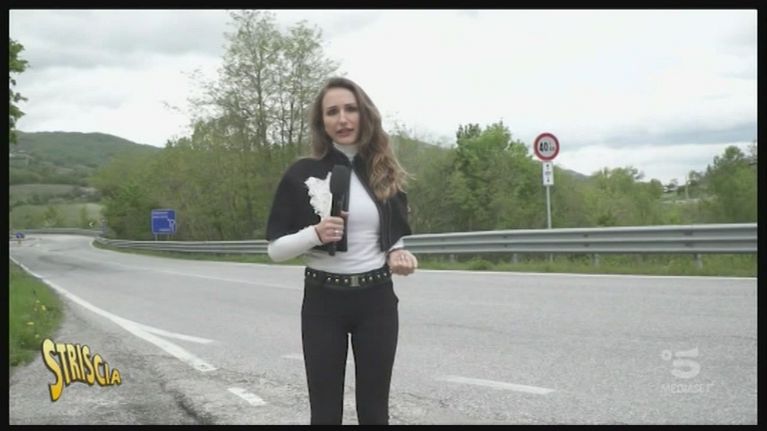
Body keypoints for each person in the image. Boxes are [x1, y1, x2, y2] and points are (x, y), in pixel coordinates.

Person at [266, 76, 418, 425]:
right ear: (322, 122)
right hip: (323, 302)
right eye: (332, 112)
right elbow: (275, 250)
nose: (343, 118)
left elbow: (391, 231)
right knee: (324, 414)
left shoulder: (382, 171)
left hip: (376, 301)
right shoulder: (302, 174)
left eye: (351, 109)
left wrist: (398, 252)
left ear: (365, 114)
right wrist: (315, 234)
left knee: (375, 413)